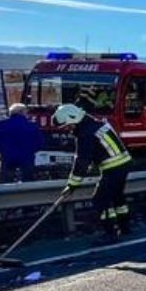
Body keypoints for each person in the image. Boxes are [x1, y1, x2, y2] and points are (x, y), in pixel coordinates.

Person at [52, 103, 133, 244]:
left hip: (113, 167)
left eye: (67, 126)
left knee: (100, 199)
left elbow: (82, 161)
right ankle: (124, 227)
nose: (67, 130)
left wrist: (72, 185)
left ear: (74, 119)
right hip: (123, 163)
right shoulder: (96, 124)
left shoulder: (85, 134)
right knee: (117, 197)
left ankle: (111, 234)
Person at [0, 103, 43, 183]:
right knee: (27, 182)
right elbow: (40, 143)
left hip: (7, 157)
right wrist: (31, 151)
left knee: (7, 182)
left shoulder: (0, 125)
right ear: (23, 112)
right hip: (27, 158)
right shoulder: (32, 126)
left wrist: (2, 150)